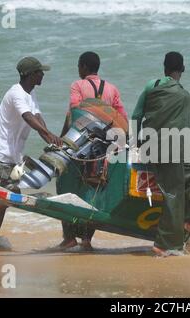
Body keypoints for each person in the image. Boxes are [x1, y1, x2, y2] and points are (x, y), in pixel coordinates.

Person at [0, 56, 63, 249]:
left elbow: (38, 118)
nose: (43, 75)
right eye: (40, 72)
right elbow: (28, 118)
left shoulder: (31, 93)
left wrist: (50, 139)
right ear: (30, 75)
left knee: (4, 198)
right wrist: (48, 134)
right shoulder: (16, 93)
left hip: (11, 155)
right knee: (12, 196)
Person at [132, 52, 190, 257]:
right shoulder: (183, 94)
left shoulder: (151, 86)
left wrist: (135, 141)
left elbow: (137, 115)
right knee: (173, 190)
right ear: (183, 69)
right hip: (162, 147)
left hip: (168, 145)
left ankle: (186, 220)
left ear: (164, 67)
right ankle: (162, 244)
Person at [56, 51, 128, 251]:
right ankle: (87, 239)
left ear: (84, 67)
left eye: (79, 66)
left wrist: (63, 139)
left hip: (80, 145)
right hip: (103, 149)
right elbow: (122, 118)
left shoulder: (77, 85)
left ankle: (69, 237)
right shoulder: (112, 89)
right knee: (95, 189)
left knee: (66, 186)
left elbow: (75, 112)